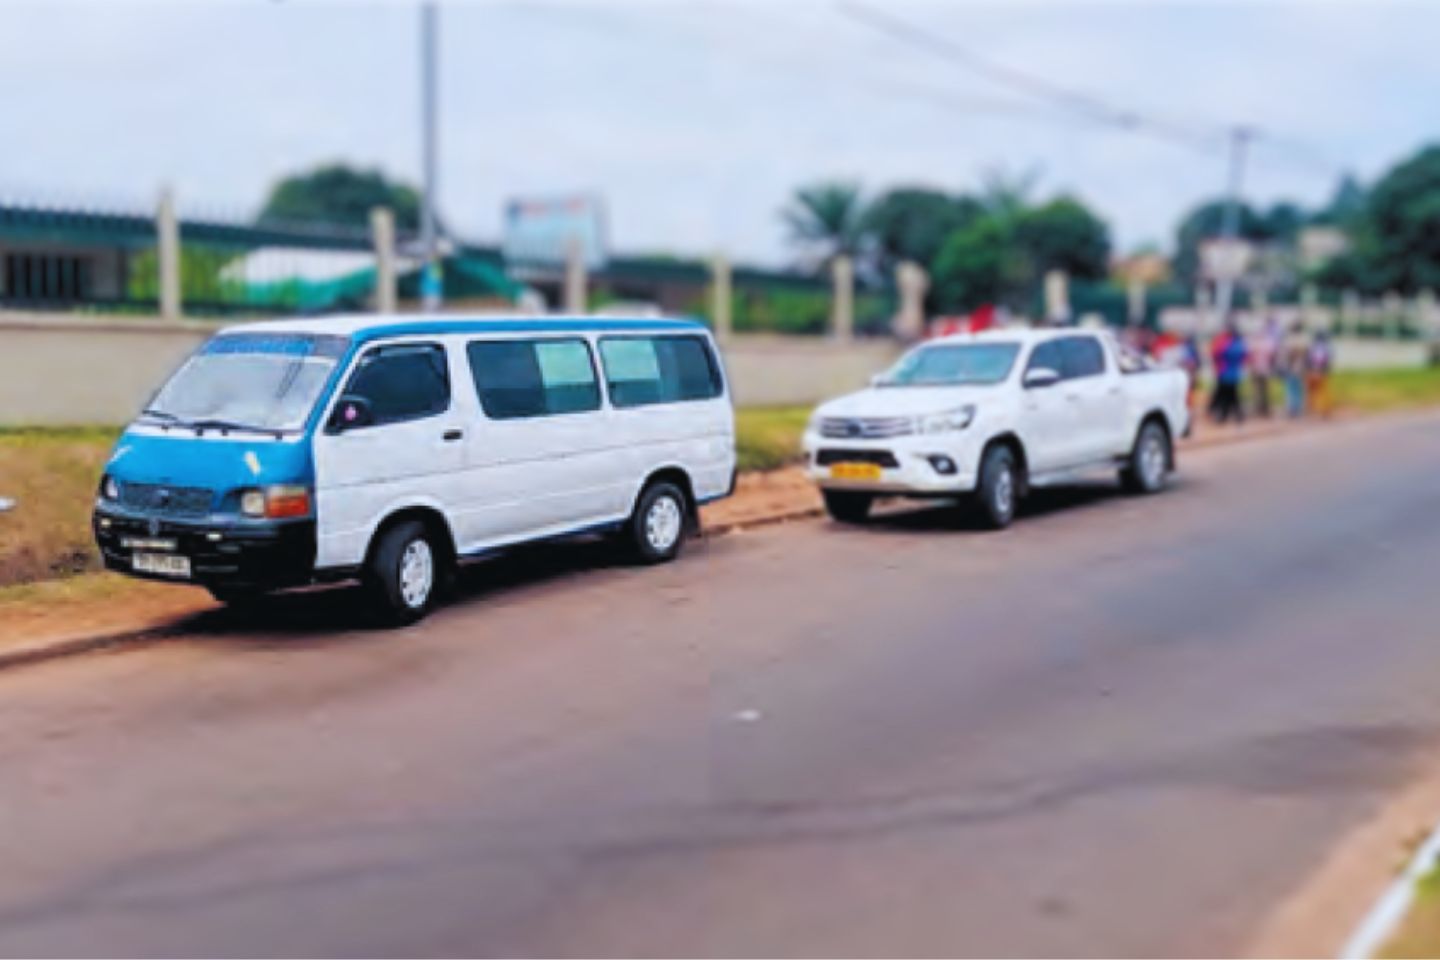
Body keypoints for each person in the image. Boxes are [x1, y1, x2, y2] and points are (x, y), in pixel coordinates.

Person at [1209, 320, 1249, 424]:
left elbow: (1216, 354)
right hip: (1234, 373)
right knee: (1232, 396)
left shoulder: (1225, 344)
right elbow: (1244, 357)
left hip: (1225, 372)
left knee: (1227, 396)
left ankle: (1225, 416)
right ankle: (1236, 415)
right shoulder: (1239, 344)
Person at [1249, 315, 1281, 417]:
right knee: (1263, 390)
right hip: (1264, 369)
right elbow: (1273, 356)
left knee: (1258, 390)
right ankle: (1264, 409)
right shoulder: (1268, 342)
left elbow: (1250, 357)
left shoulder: (1255, 343)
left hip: (1258, 369)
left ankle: (1260, 408)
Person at [1280, 321, 1309, 417]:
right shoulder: (1304, 339)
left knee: (1290, 388)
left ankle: (1292, 409)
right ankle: (1298, 409)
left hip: (1291, 367)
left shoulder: (1289, 340)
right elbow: (1306, 355)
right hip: (1301, 367)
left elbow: (1287, 355)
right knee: (1298, 389)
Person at [1307, 329, 1334, 418]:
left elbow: (1309, 360)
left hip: (1313, 371)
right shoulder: (1327, 347)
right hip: (1322, 372)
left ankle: (1314, 408)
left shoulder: (1313, 347)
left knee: (1313, 391)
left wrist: (1311, 370)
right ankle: (1324, 409)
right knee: (1322, 391)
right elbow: (1328, 361)